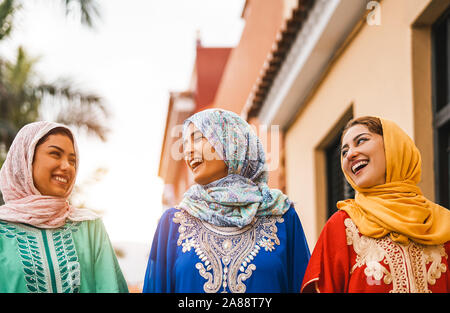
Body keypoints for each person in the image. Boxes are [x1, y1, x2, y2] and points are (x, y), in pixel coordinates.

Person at [143, 109, 310, 293]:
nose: (188, 150)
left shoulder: (282, 216)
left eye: (197, 138)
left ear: (231, 142)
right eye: (184, 144)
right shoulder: (173, 222)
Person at [301, 116, 450, 293]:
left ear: (393, 146)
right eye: (344, 151)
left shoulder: (442, 224)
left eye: (361, 140)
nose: (350, 154)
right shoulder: (343, 226)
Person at [0, 121, 128, 293]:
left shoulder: (90, 227)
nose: (67, 166)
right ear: (27, 158)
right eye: (55, 154)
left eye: (72, 160)